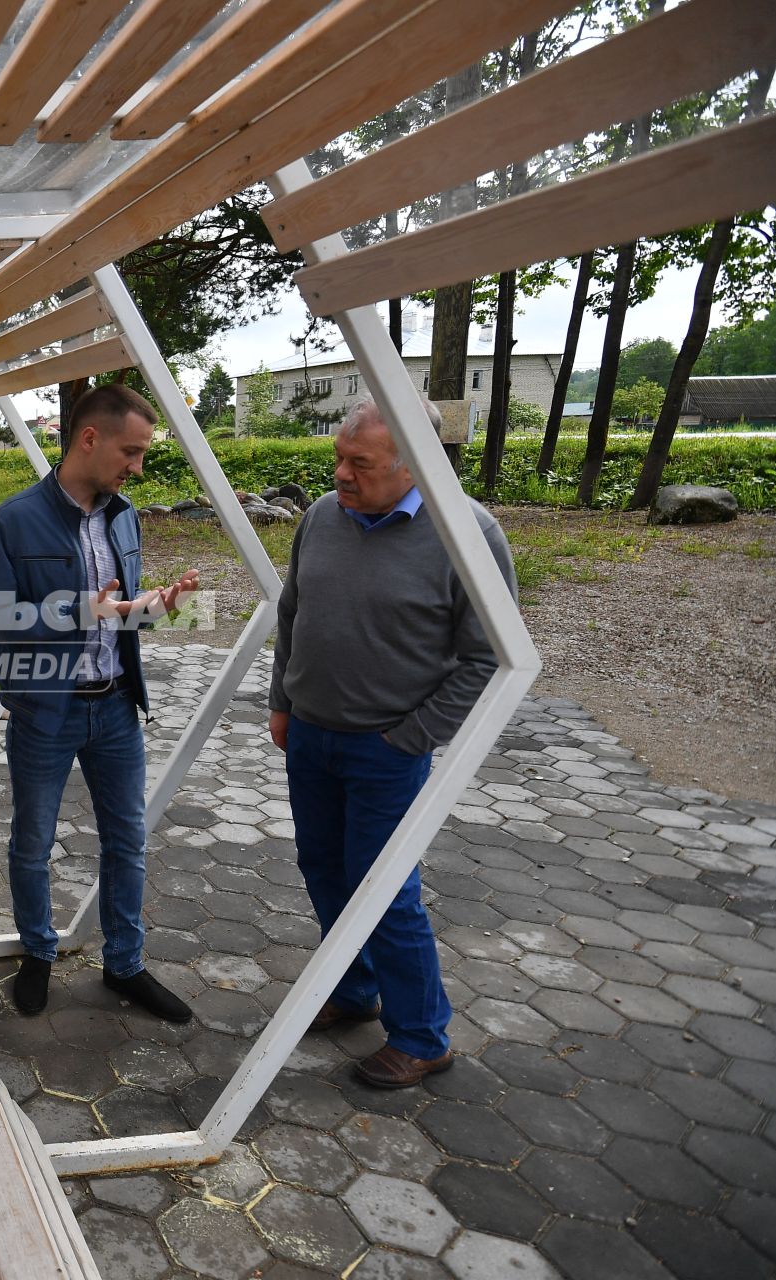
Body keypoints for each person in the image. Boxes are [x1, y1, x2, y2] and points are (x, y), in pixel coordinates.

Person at [268, 396, 518, 1088]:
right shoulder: (322, 515)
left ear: (416, 466)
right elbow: (294, 612)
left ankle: (422, 1035)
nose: (342, 475)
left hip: (388, 748)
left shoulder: (470, 533)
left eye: (361, 463)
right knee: (323, 866)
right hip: (312, 734)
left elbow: (490, 656)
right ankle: (352, 992)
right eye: (339, 458)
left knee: (385, 891)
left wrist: (412, 738)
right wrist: (283, 700)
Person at [0, 384, 200, 1019]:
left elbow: (118, 616)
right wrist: (85, 609)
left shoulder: (123, 516)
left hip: (116, 708)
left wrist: (152, 609)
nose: (138, 465)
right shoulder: (13, 520)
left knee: (127, 839)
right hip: (47, 711)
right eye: (130, 450)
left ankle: (125, 966)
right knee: (33, 841)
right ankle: (38, 954)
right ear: (89, 438)